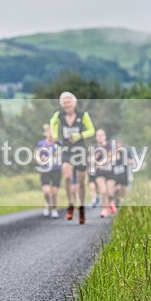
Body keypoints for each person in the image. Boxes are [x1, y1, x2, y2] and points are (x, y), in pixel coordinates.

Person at [49, 92, 95, 224]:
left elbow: (92, 130)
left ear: (74, 103)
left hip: (80, 149)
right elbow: (52, 123)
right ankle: (70, 204)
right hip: (66, 149)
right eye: (64, 102)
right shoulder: (59, 115)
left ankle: (81, 207)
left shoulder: (83, 115)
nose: (67, 104)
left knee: (81, 181)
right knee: (67, 176)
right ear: (62, 104)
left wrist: (80, 135)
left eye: (69, 102)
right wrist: (55, 136)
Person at [34, 124, 61, 218]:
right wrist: (41, 158)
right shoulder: (41, 144)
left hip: (56, 169)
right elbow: (36, 156)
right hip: (45, 169)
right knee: (46, 191)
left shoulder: (58, 143)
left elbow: (65, 153)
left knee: (54, 191)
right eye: (48, 132)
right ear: (45, 133)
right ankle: (48, 204)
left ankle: (54, 209)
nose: (50, 135)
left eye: (52, 132)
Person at [92, 128, 116, 217]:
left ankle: (111, 202)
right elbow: (89, 159)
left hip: (110, 171)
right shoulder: (94, 148)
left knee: (110, 192)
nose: (100, 137)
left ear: (105, 136)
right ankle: (104, 209)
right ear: (96, 137)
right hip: (100, 171)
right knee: (103, 191)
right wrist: (95, 159)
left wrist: (107, 159)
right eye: (98, 135)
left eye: (101, 135)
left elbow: (115, 157)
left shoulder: (110, 146)